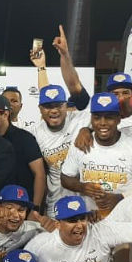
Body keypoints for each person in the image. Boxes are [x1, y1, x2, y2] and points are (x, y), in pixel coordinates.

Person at [61, 92, 132, 218]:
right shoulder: (81, 144)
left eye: (109, 117)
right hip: (90, 220)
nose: (102, 123)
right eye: (97, 117)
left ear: (119, 119)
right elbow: (65, 178)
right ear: (91, 119)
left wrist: (121, 197)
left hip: (125, 219)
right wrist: (82, 187)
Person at [24, 84, 91, 216]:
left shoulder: (81, 120)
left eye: (58, 105)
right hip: (56, 203)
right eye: (48, 106)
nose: (54, 110)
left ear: (66, 106)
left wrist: (88, 129)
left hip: (88, 203)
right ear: (40, 109)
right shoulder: (34, 133)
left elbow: (109, 118)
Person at [0, 93, 46, 213]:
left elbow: (39, 174)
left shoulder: (24, 138)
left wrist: (35, 208)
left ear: (5, 114)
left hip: (22, 208)